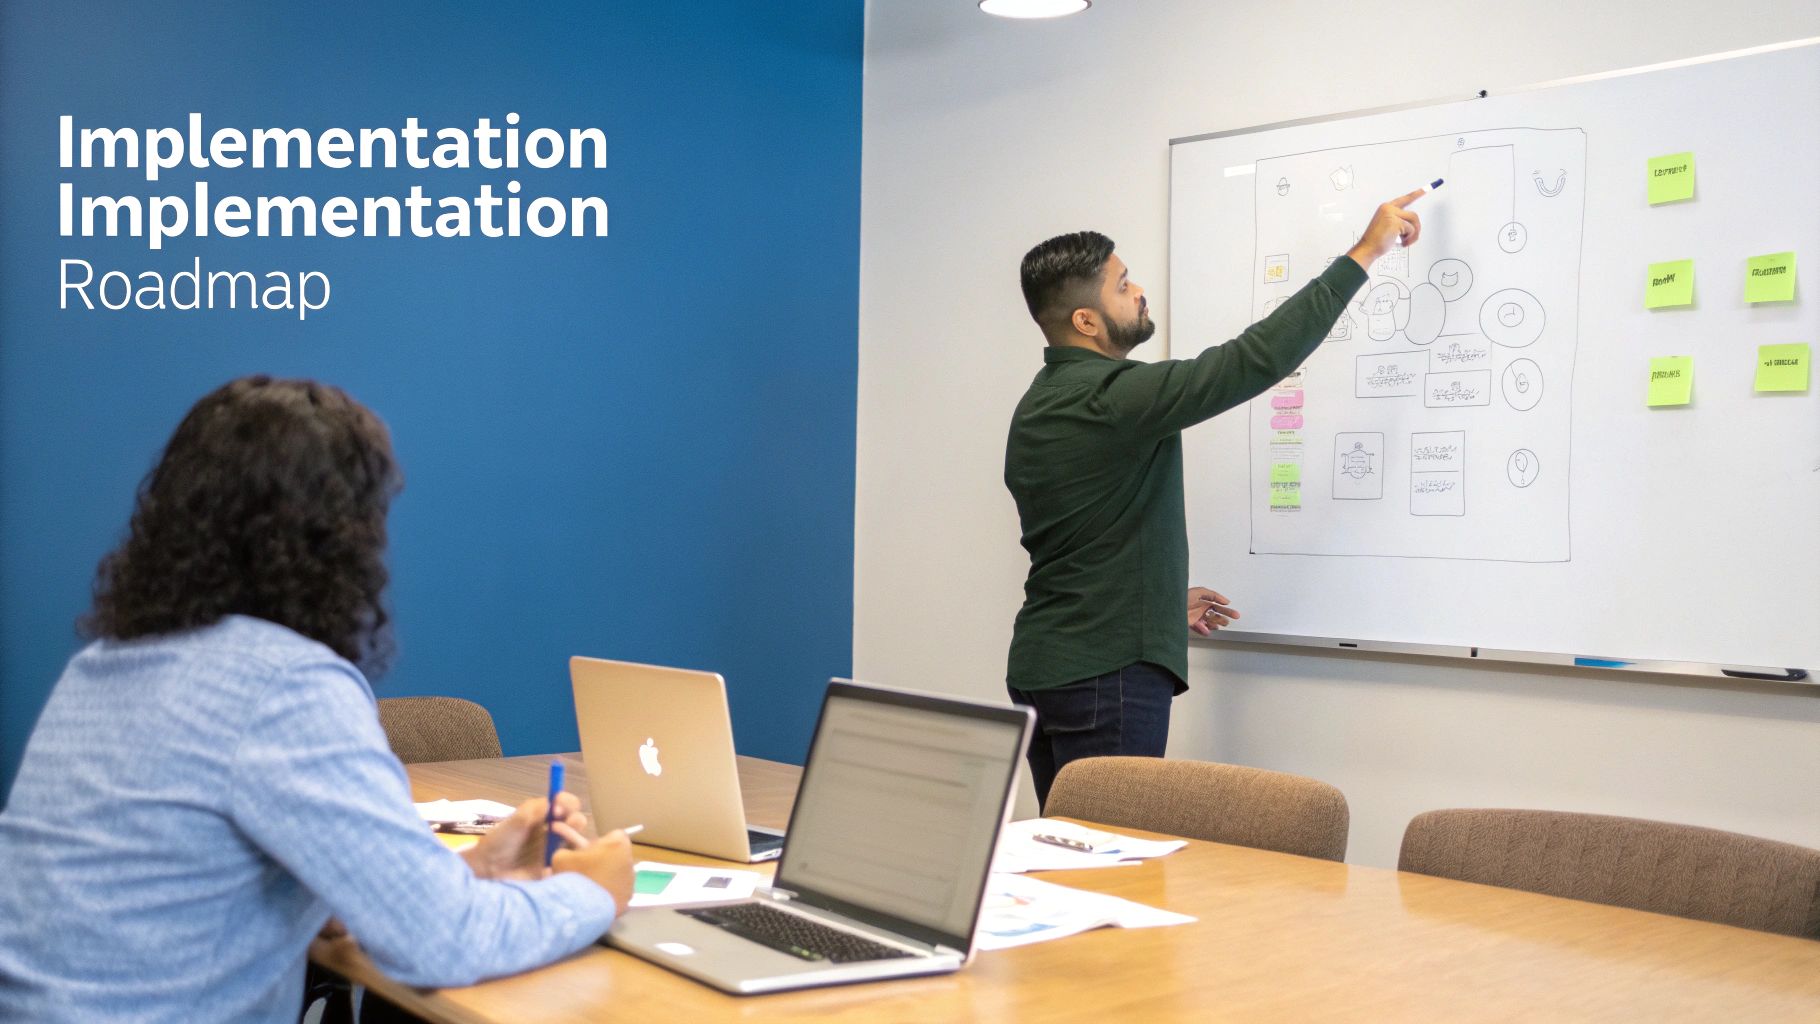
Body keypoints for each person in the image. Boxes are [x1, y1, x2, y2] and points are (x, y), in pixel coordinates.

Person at [0, 376, 636, 1023]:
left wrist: (474, 867)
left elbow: (191, 890)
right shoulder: (282, 686)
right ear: (337, 540)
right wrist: (593, 891)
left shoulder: (102, 668)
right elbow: (443, 943)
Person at [1004, 191, 1425, 807]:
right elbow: (1256, 359)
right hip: (1106, 677)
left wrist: (1155, 606)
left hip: (1051, 666)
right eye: (1123, 285)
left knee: (1072, 861)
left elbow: (1083, 538)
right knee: (1114, 874)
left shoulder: (1041, 403)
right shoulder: (1112, 398)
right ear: (1086, 321)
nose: (1140, 290)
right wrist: (1363, 254)